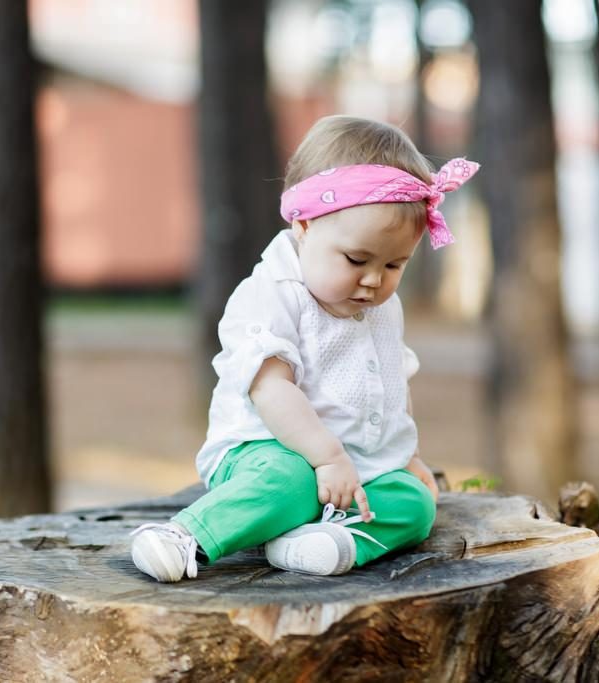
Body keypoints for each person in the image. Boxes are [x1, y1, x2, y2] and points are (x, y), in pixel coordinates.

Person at [130, 115, 479, 582]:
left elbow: (391, 382)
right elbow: (272, 391)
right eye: (356, 259)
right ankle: (188, 536)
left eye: (396, 264)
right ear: (305, 225)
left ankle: (327, 542)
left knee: (415, 502)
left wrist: (404, 453)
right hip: (264, 450)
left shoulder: (381, 305)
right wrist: (326, 458)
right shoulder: (272, 294)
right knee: (291, 482)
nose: (374, 280)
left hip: (350, 462)